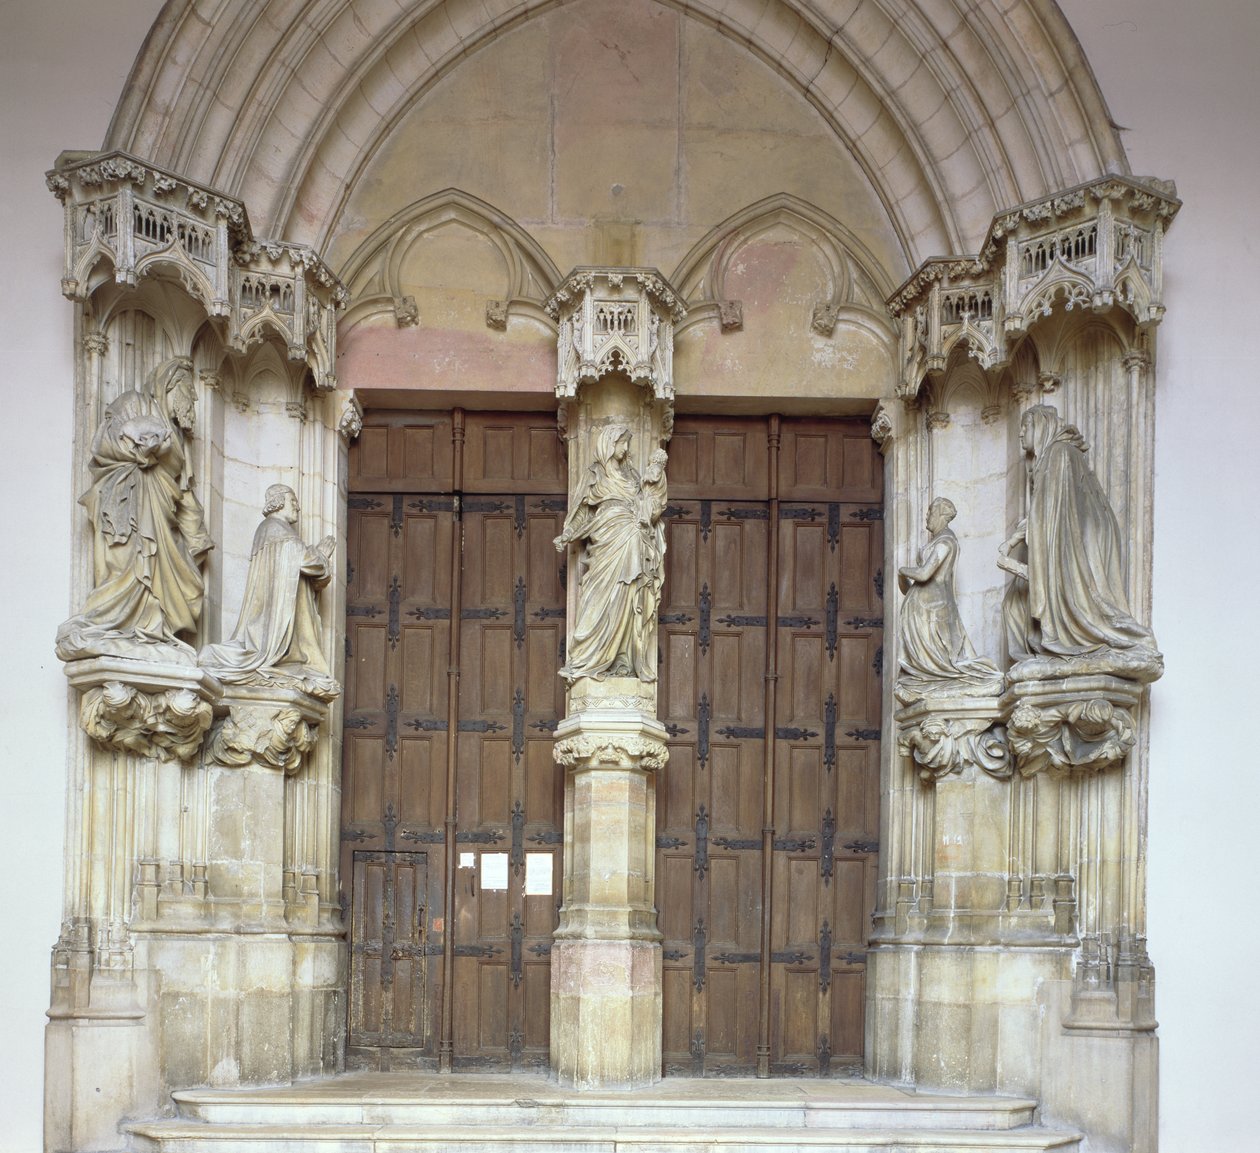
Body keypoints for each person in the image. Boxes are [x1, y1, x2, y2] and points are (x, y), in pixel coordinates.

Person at [56, 357, 213, 662]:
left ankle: (154, 632)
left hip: (161, 514)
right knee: (129, 568)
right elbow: (106, 445)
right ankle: (118, 626)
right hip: (129, 502)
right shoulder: (132, 404)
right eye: (188, 389)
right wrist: (146, 447)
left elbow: (182, 489)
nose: (193, 397)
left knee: (190, 586)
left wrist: (197, 535)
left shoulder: (177, 435)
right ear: (170, 385)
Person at [998, 405, 1158, 668]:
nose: (1021, 434)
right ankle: (1050, 642)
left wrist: (1020, 542)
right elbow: (1042, 513)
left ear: (1041, 426)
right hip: (1062, 539)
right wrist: (1014, 541)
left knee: (1080, 604)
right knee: (1013, 605)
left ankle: (1080, 639)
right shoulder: (1046, 460)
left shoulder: (1060, 454)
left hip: (1077, 541)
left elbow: (1057, 512)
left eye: (1026, 427)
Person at [199, 485, 339, 700]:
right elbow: (305, 561)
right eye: (293, 501)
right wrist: (321, 554)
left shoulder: (276, 530)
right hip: (272, 624)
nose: (298, 507)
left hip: (282, 619)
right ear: (279, 501)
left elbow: (304, 573)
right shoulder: (274, 528)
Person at [554, 426, 666, 683]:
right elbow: (583, 510)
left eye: (627, 443)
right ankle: (584, 660)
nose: (625, 449)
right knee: (598, 597)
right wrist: (568, 533)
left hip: (631, 541)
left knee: (627, 596)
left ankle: (621, 659)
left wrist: (655, 485)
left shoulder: (633, 474)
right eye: (621, 443)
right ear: (608, 443)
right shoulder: (595, 474)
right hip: (605, 541)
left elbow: (648, 504)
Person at [896, 497, 1002, 703]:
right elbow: (910, 588)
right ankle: (928, 680)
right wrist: (906, 586)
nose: (927, 516)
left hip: (933, 609)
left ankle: (949, 680)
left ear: (942, 516)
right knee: (926, 665)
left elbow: (925, 574)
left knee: (942, 660)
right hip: (922, 608)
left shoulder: (946, 541)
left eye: (931, 512)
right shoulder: (937, 541)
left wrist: (902, 570)